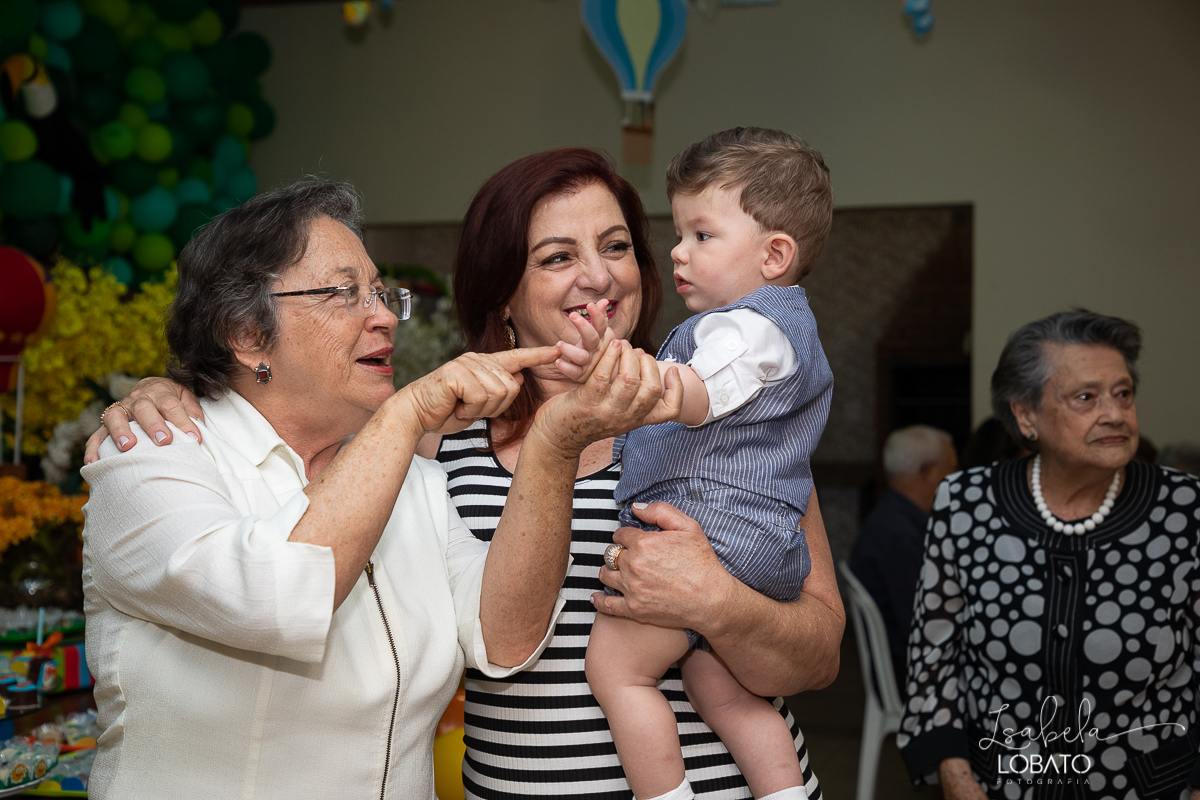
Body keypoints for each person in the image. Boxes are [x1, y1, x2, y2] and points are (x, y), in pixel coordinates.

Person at [90, 148, 846, 800]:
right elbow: (292, 519)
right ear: (503, 298)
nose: (598, 276)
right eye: (556, 257)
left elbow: (817, 657)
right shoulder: (427, 453)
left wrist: (716, 600)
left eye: (616, 247)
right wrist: (178, 385)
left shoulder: (740, 430)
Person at [553, 128, 833, 800]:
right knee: (723, 688)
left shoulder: (743, 329)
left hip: (715, 530)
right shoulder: (775, 325)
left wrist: (618, 376)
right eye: (677, 234)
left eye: (702, 235)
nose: (677, 251)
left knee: (617, 671)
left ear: (774, 254)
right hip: (761, 546)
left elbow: (696, 396)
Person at [896, 309, 1200, 800]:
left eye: (1123, 394)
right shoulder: (967, 503)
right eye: (1086, 397)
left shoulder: (1186, 510)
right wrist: (954, 775)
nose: (1115, 413)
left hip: (1146, 788)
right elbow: (934, 656)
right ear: (1025, 415)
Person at [848, 424, 957, 686]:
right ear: (929, 472)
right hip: (913, 674)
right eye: (952, 471)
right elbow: (923, 624)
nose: (956, 481)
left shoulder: (893, 519)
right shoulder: (898, 534)